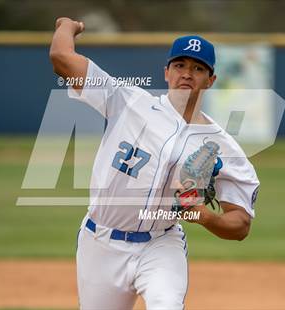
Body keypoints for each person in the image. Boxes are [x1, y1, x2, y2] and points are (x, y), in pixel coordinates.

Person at [50, 17, 260, 310]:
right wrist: (66, 26)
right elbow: (61, 58)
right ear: (166, 72)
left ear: (211, 80)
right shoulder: (126, 101)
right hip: (100, 242)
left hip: (161, 243)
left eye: (198, 68)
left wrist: (202, 216)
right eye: (180, 65)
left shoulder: (221, 146)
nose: (187, 73)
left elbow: (241, 224)